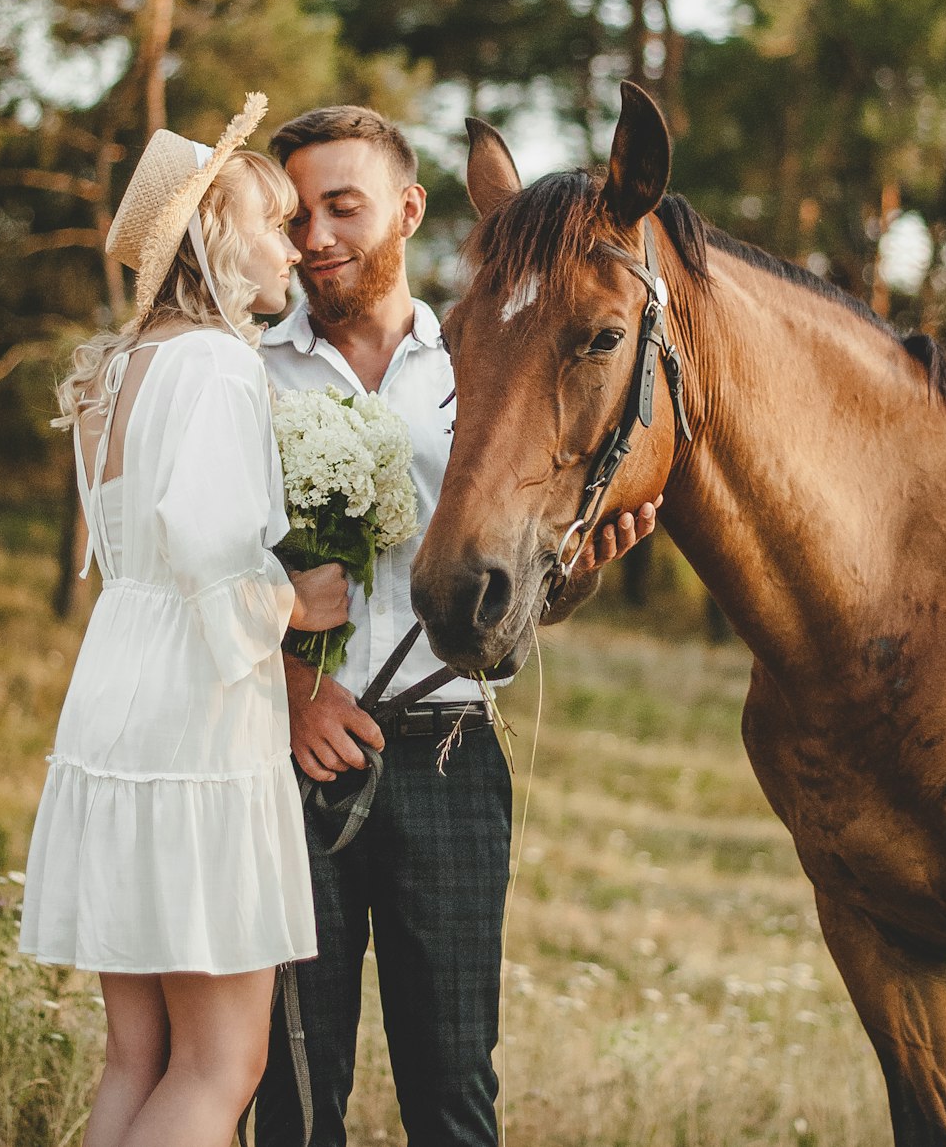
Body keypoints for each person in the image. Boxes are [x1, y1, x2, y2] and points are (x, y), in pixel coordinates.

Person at [255, 104, 658, 1147]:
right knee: (296, 1090)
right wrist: (293, 694)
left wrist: (576, 578)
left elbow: (513, 595)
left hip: (450, 754)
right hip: (293, 764)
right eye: (299, 213)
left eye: (344, 207)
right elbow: (207, 572)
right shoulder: (251, 373)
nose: (316, 237)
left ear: (408, 208)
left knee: (454, 1091)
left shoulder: (484, 360)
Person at [19, 95, 350, 1147]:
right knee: (221, 1063)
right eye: (272, 224)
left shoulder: (119, 368)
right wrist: (298, 603)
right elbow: (210, 548)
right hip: (195, 720)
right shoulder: (215, 363)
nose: (294, 250)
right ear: (213, 240)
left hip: (118, 693)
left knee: (140, 1056)